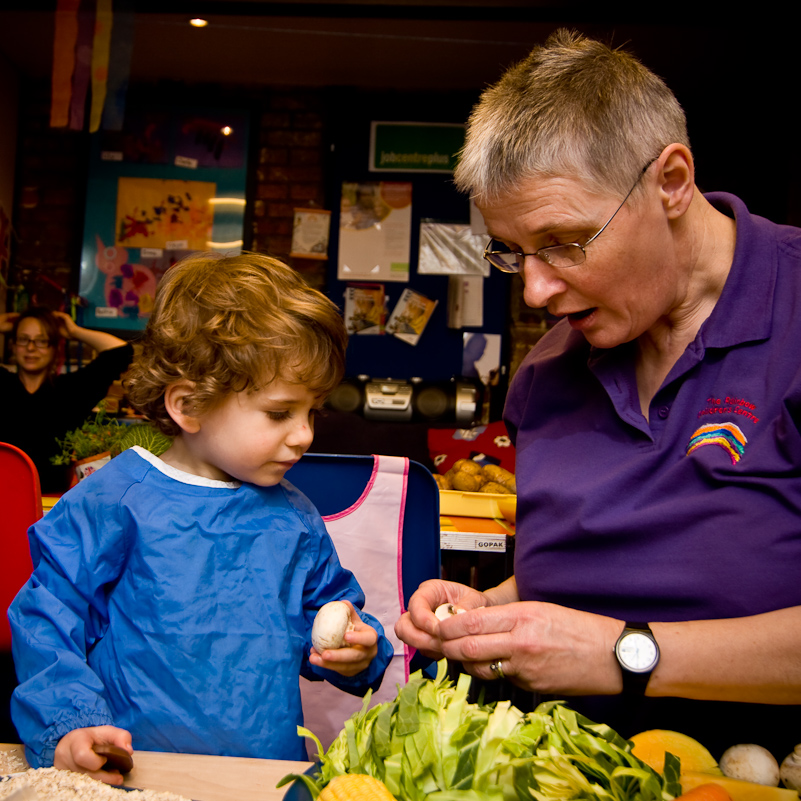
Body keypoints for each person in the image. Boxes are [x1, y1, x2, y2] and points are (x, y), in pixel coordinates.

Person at [396, 29, 801, 760]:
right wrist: (493, 610)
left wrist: (623, 654)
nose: (537, 290)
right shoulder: (544, 376)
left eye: (564, 241)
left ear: (671, 181)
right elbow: (582, 568)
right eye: (513, 251)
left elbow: (614, 635)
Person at [9, 252, 393, 784]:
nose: (304, 434)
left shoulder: (296, 518)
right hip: (135, 775)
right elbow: (47, 618)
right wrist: (70, 726)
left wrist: (360, 648)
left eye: (312, 411)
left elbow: (334, 617)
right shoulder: (114, 501)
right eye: (281, 412)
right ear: (188, 405)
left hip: (264, 779)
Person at [0, 307, 133, 493]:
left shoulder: (71, 390)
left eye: (41, 341)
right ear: (13, 345)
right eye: (23, 339)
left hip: (53, 504)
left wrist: (74, 332)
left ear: (54, 347)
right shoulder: (3, 385)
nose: (30, 348)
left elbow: (121, 352)